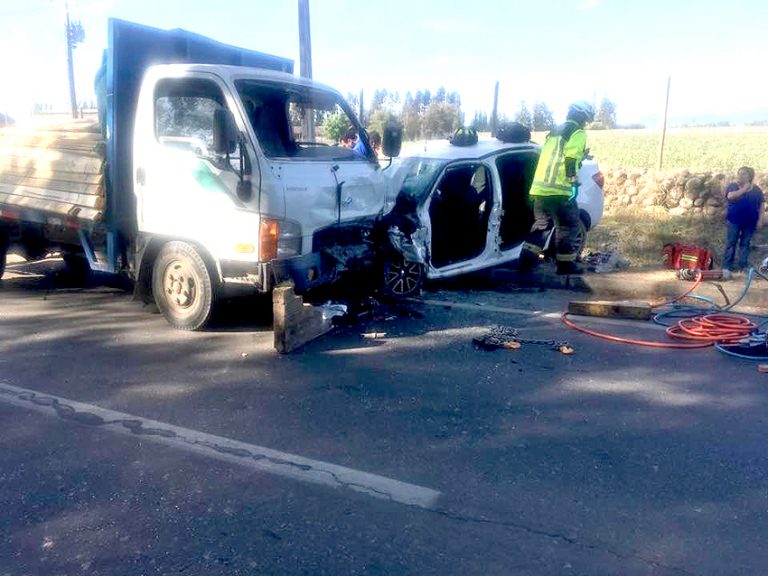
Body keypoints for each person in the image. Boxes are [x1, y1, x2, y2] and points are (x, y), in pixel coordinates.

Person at [519, 100, 595, 275]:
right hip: (559, 191)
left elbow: (554, 158)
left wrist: (579, 157)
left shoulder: (555, 131)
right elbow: (569, 159)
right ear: (583, 116)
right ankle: (565, 265)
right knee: (568, 227)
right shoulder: (577, 132)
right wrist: (573, 182)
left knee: (541, 225)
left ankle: (526, 263)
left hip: (540, 190)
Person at [723, 166, 764, 274]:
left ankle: (743, 265)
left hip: (750, 222)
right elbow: (730, 196)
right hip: (734, 220)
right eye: (739, 173)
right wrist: (744, 189)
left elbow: (761, 205)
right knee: (731, 242)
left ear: (749, 176)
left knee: (745, 243)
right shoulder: (733, 186)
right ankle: (727, 266)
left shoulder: (757, 190)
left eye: (743, 174)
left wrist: (760, 220)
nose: (740, 176)